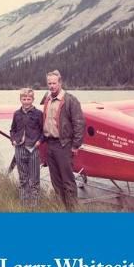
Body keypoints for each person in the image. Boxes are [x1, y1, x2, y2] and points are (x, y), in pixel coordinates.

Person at [43, 70, 85, 211]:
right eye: (49, 83)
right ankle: (61, 209)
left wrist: (76, 145)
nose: (52, 86)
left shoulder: (70, 100)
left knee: (68, 181)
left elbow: (79, 123)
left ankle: (72, 210)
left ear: (60, 82)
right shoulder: (47, 99)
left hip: (64, 145)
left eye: (54, 83)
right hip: (50, 144)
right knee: (56, 181)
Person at [10, 88, 44, 208]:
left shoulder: (38, 114)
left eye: (29, 99)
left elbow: (43, 131)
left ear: (33, 99)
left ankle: (34, 206)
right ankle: (24, 206)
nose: (26, 101)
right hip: (19, 148)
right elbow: (12, 129)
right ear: (20, 99)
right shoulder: (16, 114)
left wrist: (39, 141)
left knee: (34, 181)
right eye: (24, 99)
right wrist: (13, 140)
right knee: (23, 179)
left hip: (33, 149)